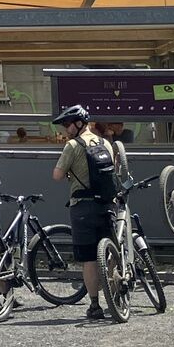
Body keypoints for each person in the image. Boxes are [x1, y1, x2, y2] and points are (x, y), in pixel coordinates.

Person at [51, 103, 123, 322]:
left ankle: (94, 305)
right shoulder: (105, 143)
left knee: (90, 259)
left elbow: (57, 175)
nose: (65, 129)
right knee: (110, 251)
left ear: (78, 123)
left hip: (83, 207)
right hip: (106, 204)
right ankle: (117, 296)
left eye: (67, 125)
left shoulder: (72, 146)